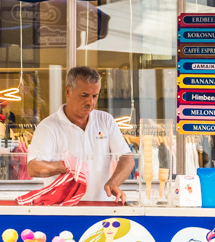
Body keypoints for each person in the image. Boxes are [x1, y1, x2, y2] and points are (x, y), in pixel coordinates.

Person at [26, 66, 134, 203]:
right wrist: (66, 166)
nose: (90, 102)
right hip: (61, 210)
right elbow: (33, 167)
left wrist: (114, 182)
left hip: (100, 208)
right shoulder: (48, 127)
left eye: (95, 96)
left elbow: (127, 157)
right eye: (84, 95)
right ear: (68, 91)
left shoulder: (106, 121)